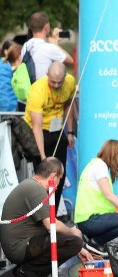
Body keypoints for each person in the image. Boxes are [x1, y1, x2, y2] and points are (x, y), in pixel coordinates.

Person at [1, 157, 94, 277]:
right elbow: (51, 225)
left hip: (20, 244)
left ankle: (29, 272)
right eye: (60, 178)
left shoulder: (31, 185)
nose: (59, 183)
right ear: (53, 176)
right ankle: (29, 273)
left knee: (73, 243)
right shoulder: (35, 189)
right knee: (74, 241)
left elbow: (50, 229)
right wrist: (72, 233)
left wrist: (78, 249)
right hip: (19, 247)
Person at [74, 140, 118, 252]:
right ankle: (96, 242)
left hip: (89, 220)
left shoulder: (94, 164)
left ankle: (96, 242)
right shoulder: (100, 166)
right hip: (92, 219)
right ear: (116, 155)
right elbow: (108, 195)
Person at [25, 62, 76, 205]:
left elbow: (68, 105)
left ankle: (53, 214)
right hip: (38, 131)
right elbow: (37, 126)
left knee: (59, 173)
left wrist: (70, 132)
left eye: (60, 82)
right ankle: (41, 214)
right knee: (44, 175)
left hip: (57, 129)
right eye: (52, 82)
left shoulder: (70, 82)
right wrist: (43, 157)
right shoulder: (38, 90)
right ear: (47, 76)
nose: (56, 85)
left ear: (65, 77)